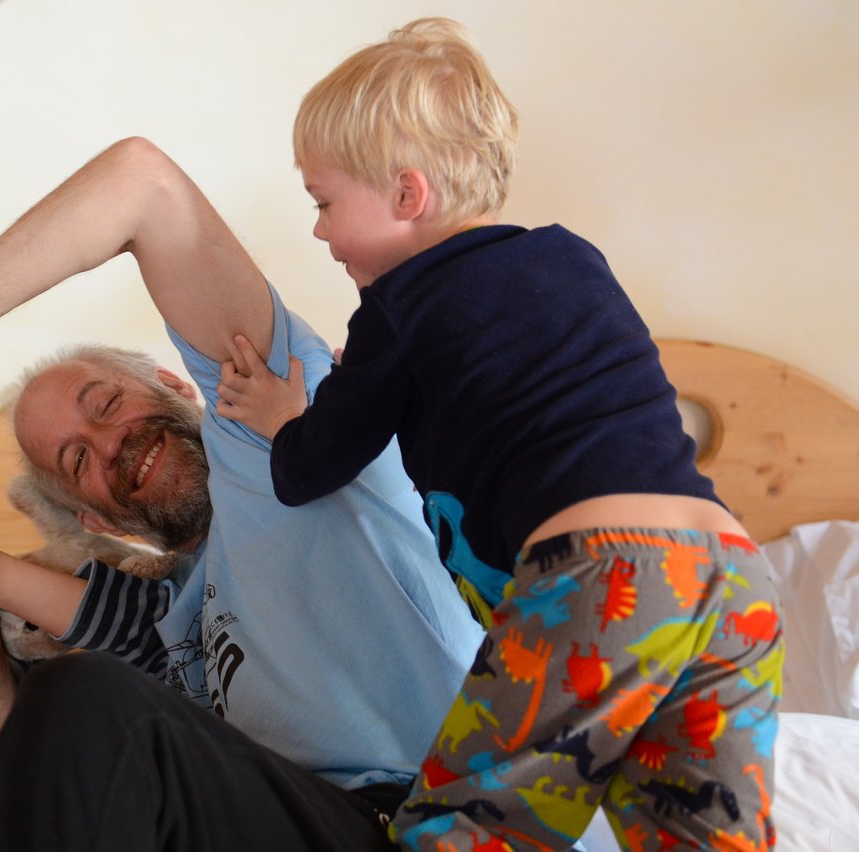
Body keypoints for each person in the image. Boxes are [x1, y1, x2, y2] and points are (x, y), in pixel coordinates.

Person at [213, 16, 782, 851]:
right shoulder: (572, 257)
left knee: (468, 828)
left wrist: (281, 413)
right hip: (734, 574)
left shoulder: (397, 308)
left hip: (609, 572)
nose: (319, 231)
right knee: (696, 836)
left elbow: (309, 468)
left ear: (408, 197)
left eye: (324, 202)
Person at [0, 136, 486, 850]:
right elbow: (21, 795)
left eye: (105, 403)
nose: (111, 444)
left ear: (178, 384)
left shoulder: (288, 429)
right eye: (77, 460)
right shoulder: (168, 608)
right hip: (262, 818)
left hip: (413, 816)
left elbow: (142, 184)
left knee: (91, 699)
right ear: (95, 515)